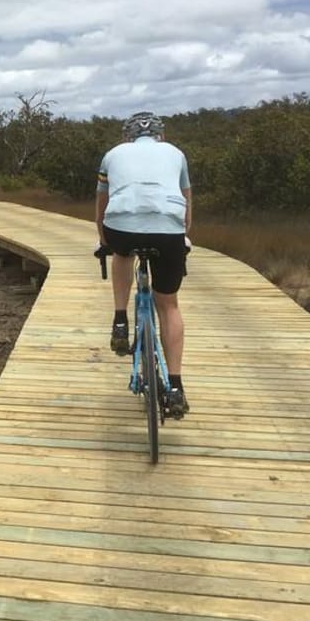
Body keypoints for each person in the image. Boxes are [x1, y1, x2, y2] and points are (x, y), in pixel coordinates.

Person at [95, 111, 192, 418]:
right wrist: (183, 237)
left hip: (121, 225)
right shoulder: (176, 154)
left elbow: (102, 204)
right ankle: (175, 387)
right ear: (160, 135)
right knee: (169, 306)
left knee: (122, 252)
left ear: (128, 136)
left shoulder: (112, 155)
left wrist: (104, 240)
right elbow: (186, 201)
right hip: (169, 230)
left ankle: (121, 319)